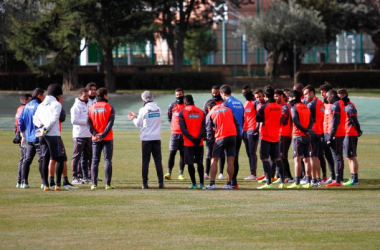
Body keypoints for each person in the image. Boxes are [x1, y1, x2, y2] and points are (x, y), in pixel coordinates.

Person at [33, 84, 68, 191]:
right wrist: (46, 128)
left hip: (42, 135)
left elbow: (35, 118)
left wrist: (42, 128)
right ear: (58, 94)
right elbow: (54, 119)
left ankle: (46, 185)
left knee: (45, 158)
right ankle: (57, 184)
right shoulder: (56, 104)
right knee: (61, 158)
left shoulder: (41, 104)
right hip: (53, 135)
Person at [129, 91, 164, 189]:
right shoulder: (158, 108)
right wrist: (137, 116)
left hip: (146, 138)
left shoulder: (143, 109)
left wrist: (133, 119)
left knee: (145, 162)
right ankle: (161, 183)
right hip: (156, 137)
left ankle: (145, 183)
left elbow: (138, 124)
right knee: (158, 161)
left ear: (143, 100)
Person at [255, 86, 286, 189]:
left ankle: (268, 182)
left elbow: (258, 118)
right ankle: (282, 182)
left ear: (265, 95)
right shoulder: (279, 107)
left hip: (265, 136)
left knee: (265, 159)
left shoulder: (264, 107)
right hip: (276, 136)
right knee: (278, 159)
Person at [205, 100, 239, 190]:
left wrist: (210, 143)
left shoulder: (211, 113)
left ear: (208, 108)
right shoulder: (227, 109)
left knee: (214, 159)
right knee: (230, 160)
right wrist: (237, 136)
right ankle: (229, 184)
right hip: (233, 136)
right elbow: (236, 123)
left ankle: (212, 184)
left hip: (221, 137)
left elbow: (209, 130)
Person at [88, 87, 115, 190]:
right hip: (107, 138)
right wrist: (103, 135)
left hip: (95, 138)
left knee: (95, 161)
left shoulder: (91, 107)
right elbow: (110, 123)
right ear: (105, 95)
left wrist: (96, 134)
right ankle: (108, 184)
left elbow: (89, 123)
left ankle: (94, 184)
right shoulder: (109, 107)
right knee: (107, 160)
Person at [287, 90, 314, 189]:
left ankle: (297, 182)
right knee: (307, 159)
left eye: (289, 98)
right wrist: (308, 130)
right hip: (307, 136)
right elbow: (311, 121)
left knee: (297, 160)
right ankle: (308, 182)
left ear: (293, 97)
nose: (289, 100)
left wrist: (304, 130)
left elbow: (295, 121)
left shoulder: (294, 108)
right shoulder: (306, 107)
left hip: (298, 136)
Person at [179, 95, 205, 189]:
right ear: (193, 101)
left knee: (190, 163)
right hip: (199, 142)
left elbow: (183, 129)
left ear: (185, 102)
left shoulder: (182, 113)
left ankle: (194, 184)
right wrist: (198, 138)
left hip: (189, 143)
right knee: (199, 162)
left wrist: (192, 139)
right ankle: (202, 184)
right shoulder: (201, 112)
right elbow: (203, 128)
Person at [220, 85, 244, 189]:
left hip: (230, 133)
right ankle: (234, 182)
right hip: (239, 133)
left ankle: (230, 182)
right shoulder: (240, 102)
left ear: (223, 93)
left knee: (229, 159)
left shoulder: (225, 103)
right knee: (235, 158)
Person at [337, 89, 362, 186]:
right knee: (348, 157)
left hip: (350, 133)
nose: (338, 97)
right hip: (346, 133)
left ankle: (355, 179)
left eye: (339, 95)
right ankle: (352, 178)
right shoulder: (345, 106)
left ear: (344, 95)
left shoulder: (350, 107)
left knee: (352, 156)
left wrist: (358, 130)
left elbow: (355, 120)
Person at [303, 85, 325, 187]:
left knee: (311, 157)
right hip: (319, 132)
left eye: (306, 94)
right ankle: (317, 179)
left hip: (312, 132)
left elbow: (306, 118)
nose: (305, 96)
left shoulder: (311, 104)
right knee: (316, 157)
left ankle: (313, 180)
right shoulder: (320, 102)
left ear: (312, 92)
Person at [203, 85, 225, 180]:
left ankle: (221, 173)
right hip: (210, 132)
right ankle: (206, 172)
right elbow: (204, 117)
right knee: (208, 153)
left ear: (219, 92)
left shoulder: (223, 103)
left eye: (216, 93)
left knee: (222, 153)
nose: (215, 95)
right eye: (213, 93)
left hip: (221, 131)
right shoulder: (207, 103)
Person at [325, 89, 346, 187]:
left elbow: (335, 122)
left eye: (328, 96)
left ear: (332, 95)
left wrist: (331, 136)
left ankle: (338, 180)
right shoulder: (341, 103)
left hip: (336, 134)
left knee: (337, 157)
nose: (327, 98)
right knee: (339, 157)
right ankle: (339, 179)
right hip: (340, 133)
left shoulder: (335, 105)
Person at [70, 88, 91, 184]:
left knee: (87, 156)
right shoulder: (76, 106)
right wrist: (87, 121)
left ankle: (85, 176)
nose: (87, 97)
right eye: (85, 96)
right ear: (79, 96)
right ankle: (75, 177)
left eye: (87, 96)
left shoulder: (90, 103)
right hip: (79, 135)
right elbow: (74, 121)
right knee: (76, 156)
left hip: (89, 134)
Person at [165, 88, 186, 180]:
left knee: (183, 154)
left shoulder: (186, 105)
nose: (179, 96)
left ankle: (181, 174)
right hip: (174, 134)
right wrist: (174, 126)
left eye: (180, 94)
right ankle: (169, 173)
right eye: (177, 95)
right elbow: (169, 118)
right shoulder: (172, 106)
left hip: (185, 134)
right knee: (172, 153)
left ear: (183, 94)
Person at [274, 89, 294, 183]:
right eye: (274, 96)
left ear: (283, 96)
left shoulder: (285, 106)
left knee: (282, 156)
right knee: (281, 156)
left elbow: (281, 119)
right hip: (280, 134)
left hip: (284, 134)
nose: (275, 98)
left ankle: (287, 177)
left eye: (277, 96)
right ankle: (282, 176)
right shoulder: (279, 106)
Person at [14, 94, 32, 188]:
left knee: (23, 159)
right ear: (25, 100)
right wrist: (23, 136)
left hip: (20, 136)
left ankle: (19, 181)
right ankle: (23, 182)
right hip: (24, 137)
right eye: (30, 100)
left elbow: (16, 124)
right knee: (25, 159)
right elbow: (21, 124)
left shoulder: (19, 109)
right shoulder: (24, 109)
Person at [241, 85, 259, 180]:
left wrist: (256, 129)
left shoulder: (255, 103)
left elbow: (259, 117)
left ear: (250, 91)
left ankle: (253, 173)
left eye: (247, 92)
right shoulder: (245, 103)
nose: (245, 94)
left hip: (252, 130)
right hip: (245, 130)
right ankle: (252, 173)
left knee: (252, 152)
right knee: (249, 152)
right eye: (243, 93)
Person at [319, 82, 335, 184]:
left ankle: (337, 177)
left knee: (335, 156)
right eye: (321, 92)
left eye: (323, 92)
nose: (322, 95)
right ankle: (332, 175)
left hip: (332, 133)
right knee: (327, 155)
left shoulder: (334, 104)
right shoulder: (323, 104)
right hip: (323, 133)